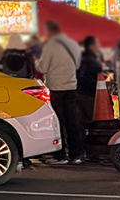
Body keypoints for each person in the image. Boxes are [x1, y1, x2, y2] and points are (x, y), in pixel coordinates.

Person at [37, 20, 85, 165]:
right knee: (72, 122)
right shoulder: (73, 45)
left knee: (57, 122)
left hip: (55, 89)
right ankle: (76, 155)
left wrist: (36, 62)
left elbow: (42, 68)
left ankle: (60, 155)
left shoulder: (50, 46)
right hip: (71, 87)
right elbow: (77, 65)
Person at [77, 36, 104, 124]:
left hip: (80, 93)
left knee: (81, 120)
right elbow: (92, 77)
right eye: (97, 44)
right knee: (89, 119)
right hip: (88, 94)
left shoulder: (81, 58)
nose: (99, 46)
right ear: (91, 46)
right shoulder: (91, 61)